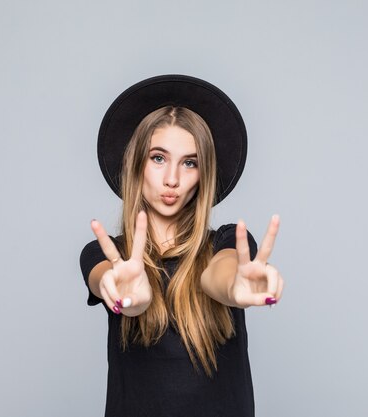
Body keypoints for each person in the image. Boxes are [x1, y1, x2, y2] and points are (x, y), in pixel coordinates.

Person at [80, 75, 284, 417]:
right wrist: (128, 299)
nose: (172, 179)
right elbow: (106, 280)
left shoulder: (227, 242)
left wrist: (234, 288)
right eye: (158, 158)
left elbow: (217, 276)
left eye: (190, 163)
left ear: (203, 174)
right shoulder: (106, 255)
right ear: (136, 163)